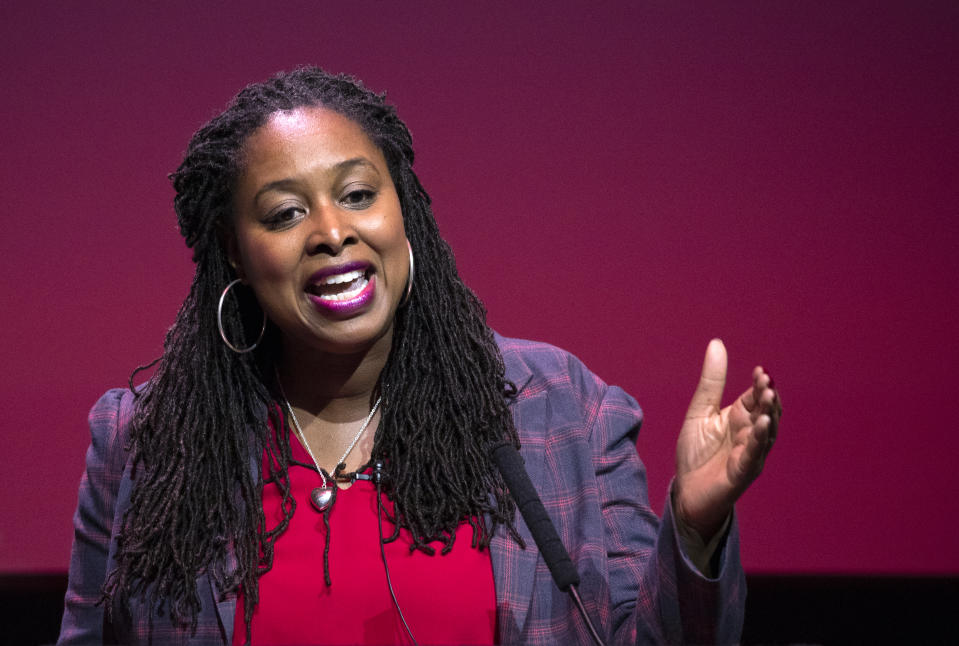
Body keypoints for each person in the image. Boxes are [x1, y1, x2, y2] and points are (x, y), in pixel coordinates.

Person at [58, 67, 781, 645]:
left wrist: (693, 527)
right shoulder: (145, 444)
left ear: (404, 214)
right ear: (233, 255)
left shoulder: (562, 411)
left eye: (358, 194)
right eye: (285, 213)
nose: (332, 231)